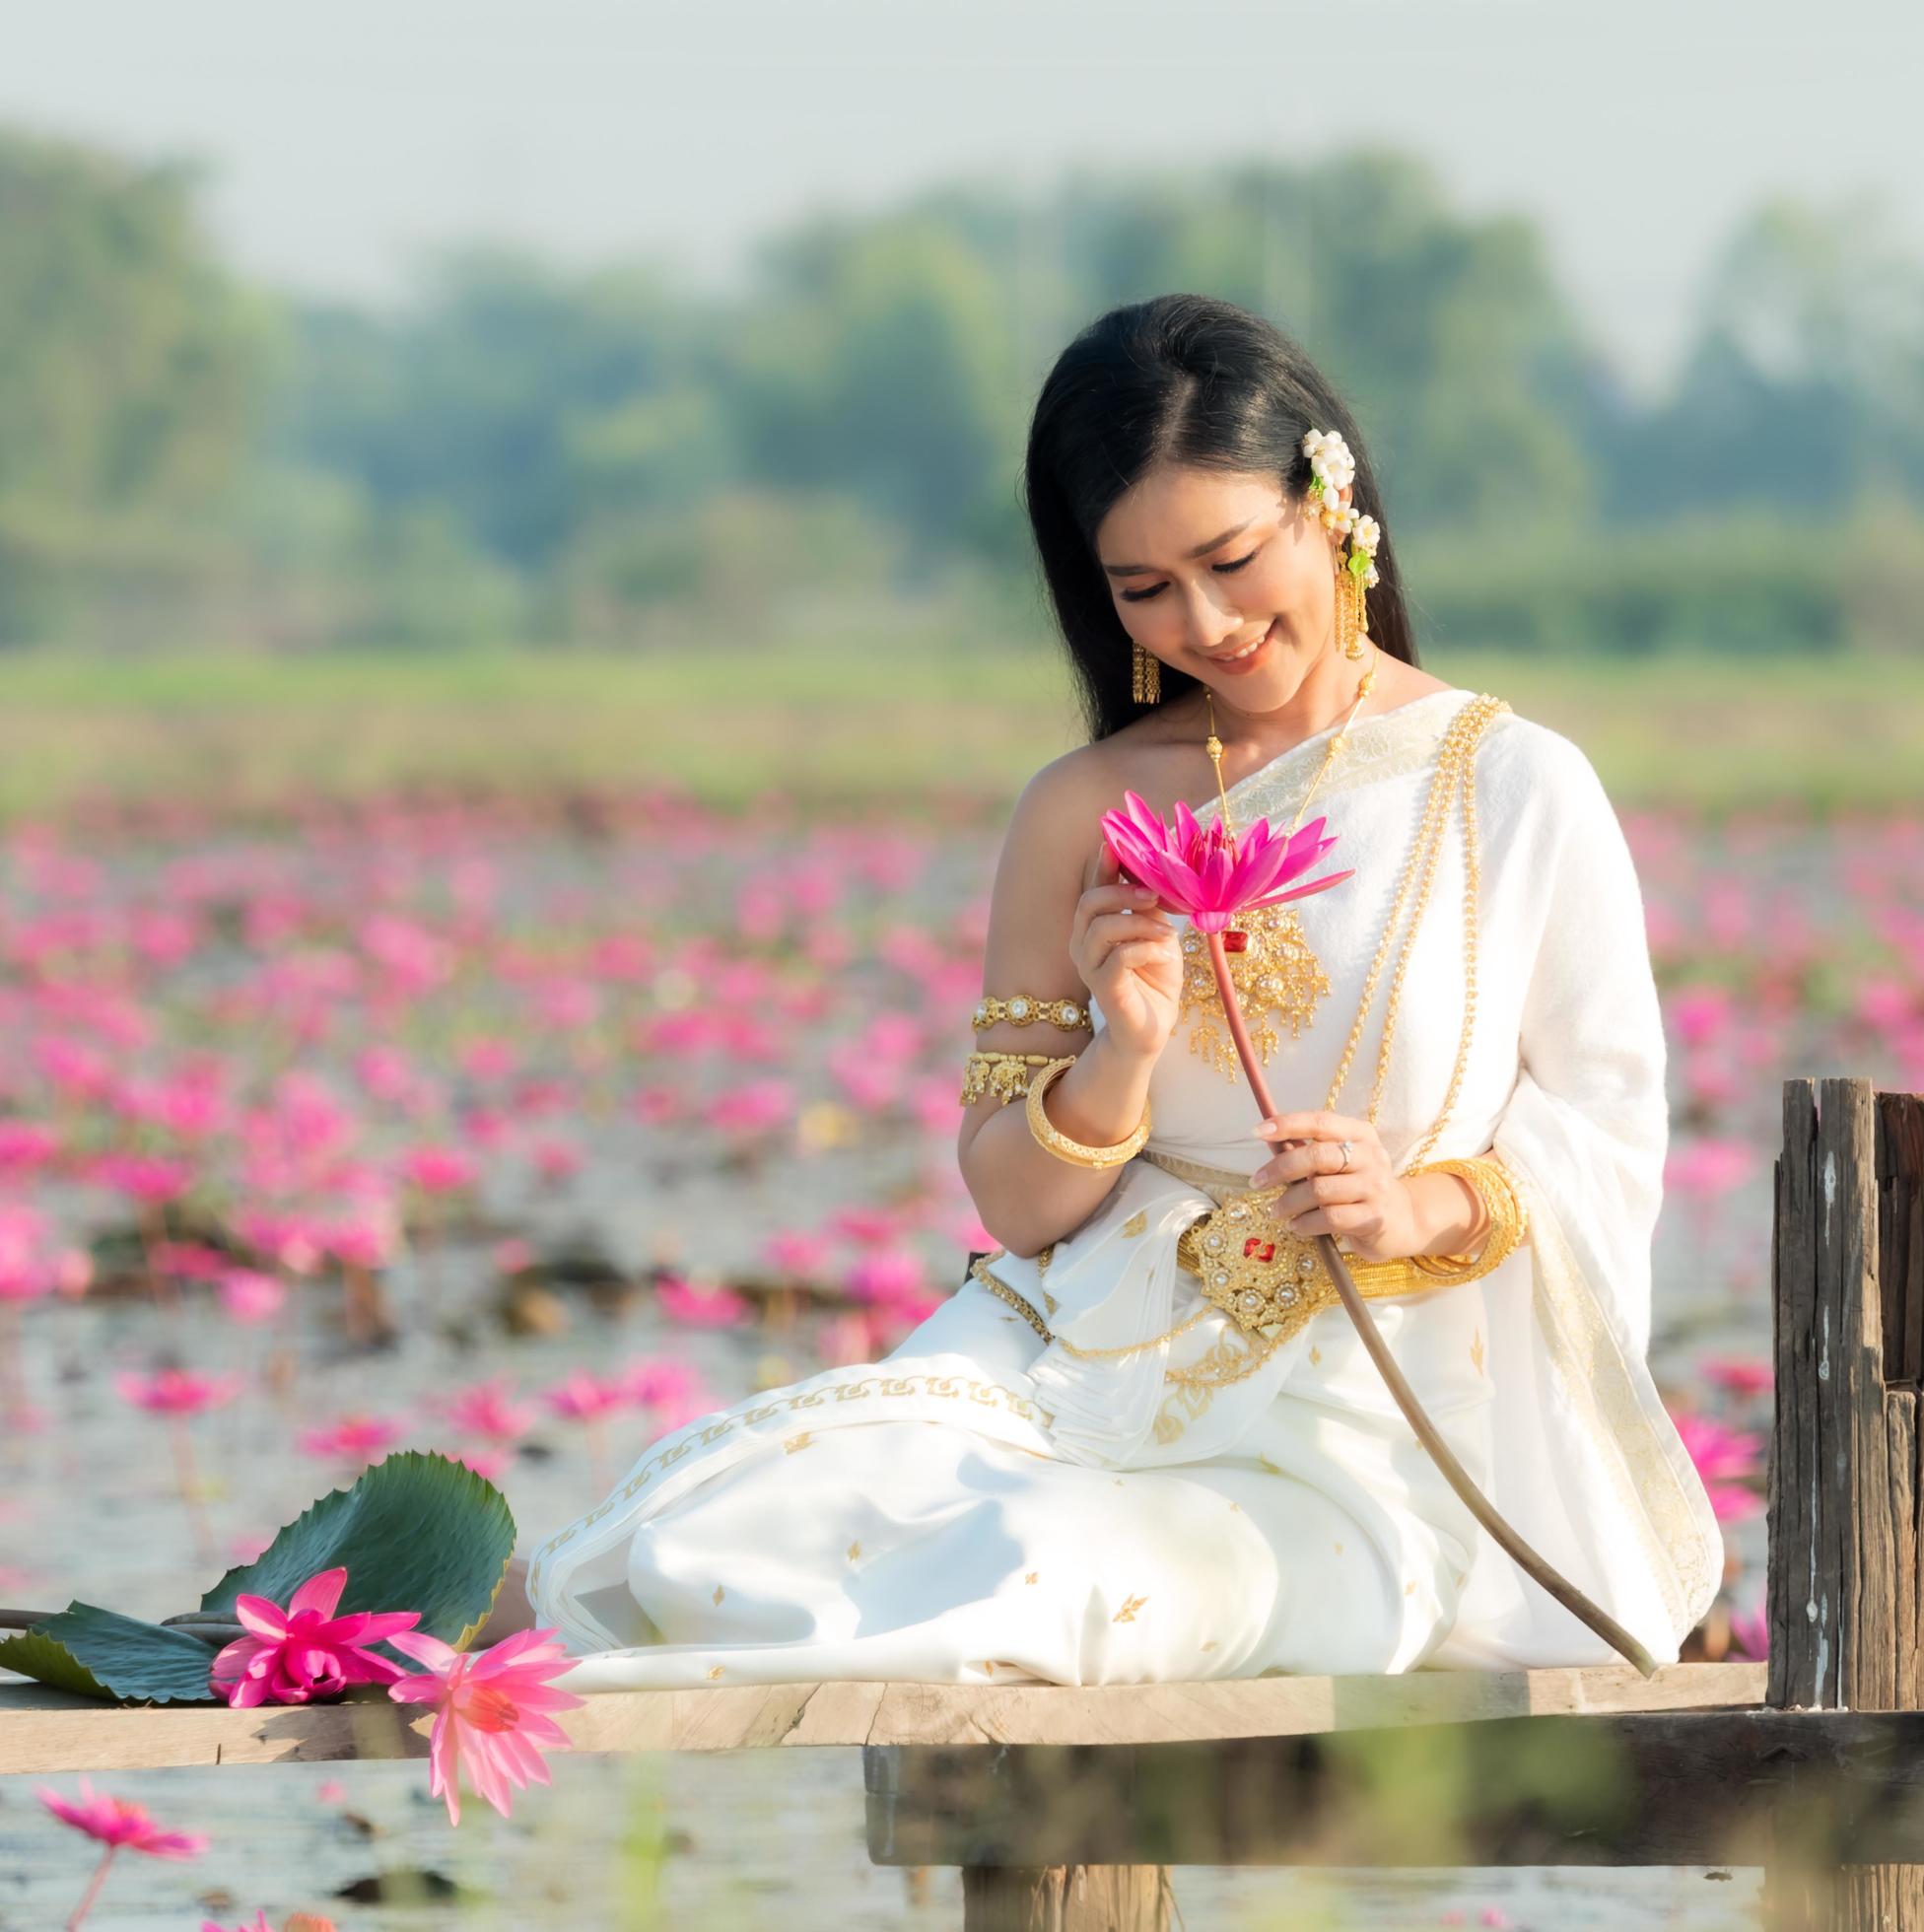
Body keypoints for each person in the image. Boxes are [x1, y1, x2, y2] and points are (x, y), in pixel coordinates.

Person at [499, 293, 1723, 1692]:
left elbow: (1603, 1136)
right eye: (1141, 588)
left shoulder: (1506, 787)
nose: (1204, 623)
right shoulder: (1082, 810)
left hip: (1362, 1446)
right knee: (746, 1521)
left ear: (1326, 496)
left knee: (1047, 1572)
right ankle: (390, 1637)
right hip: (1063, 1374)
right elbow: (1017, 1207)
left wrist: (1413, 1206)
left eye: (1230, 558)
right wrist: (1123, 1054)